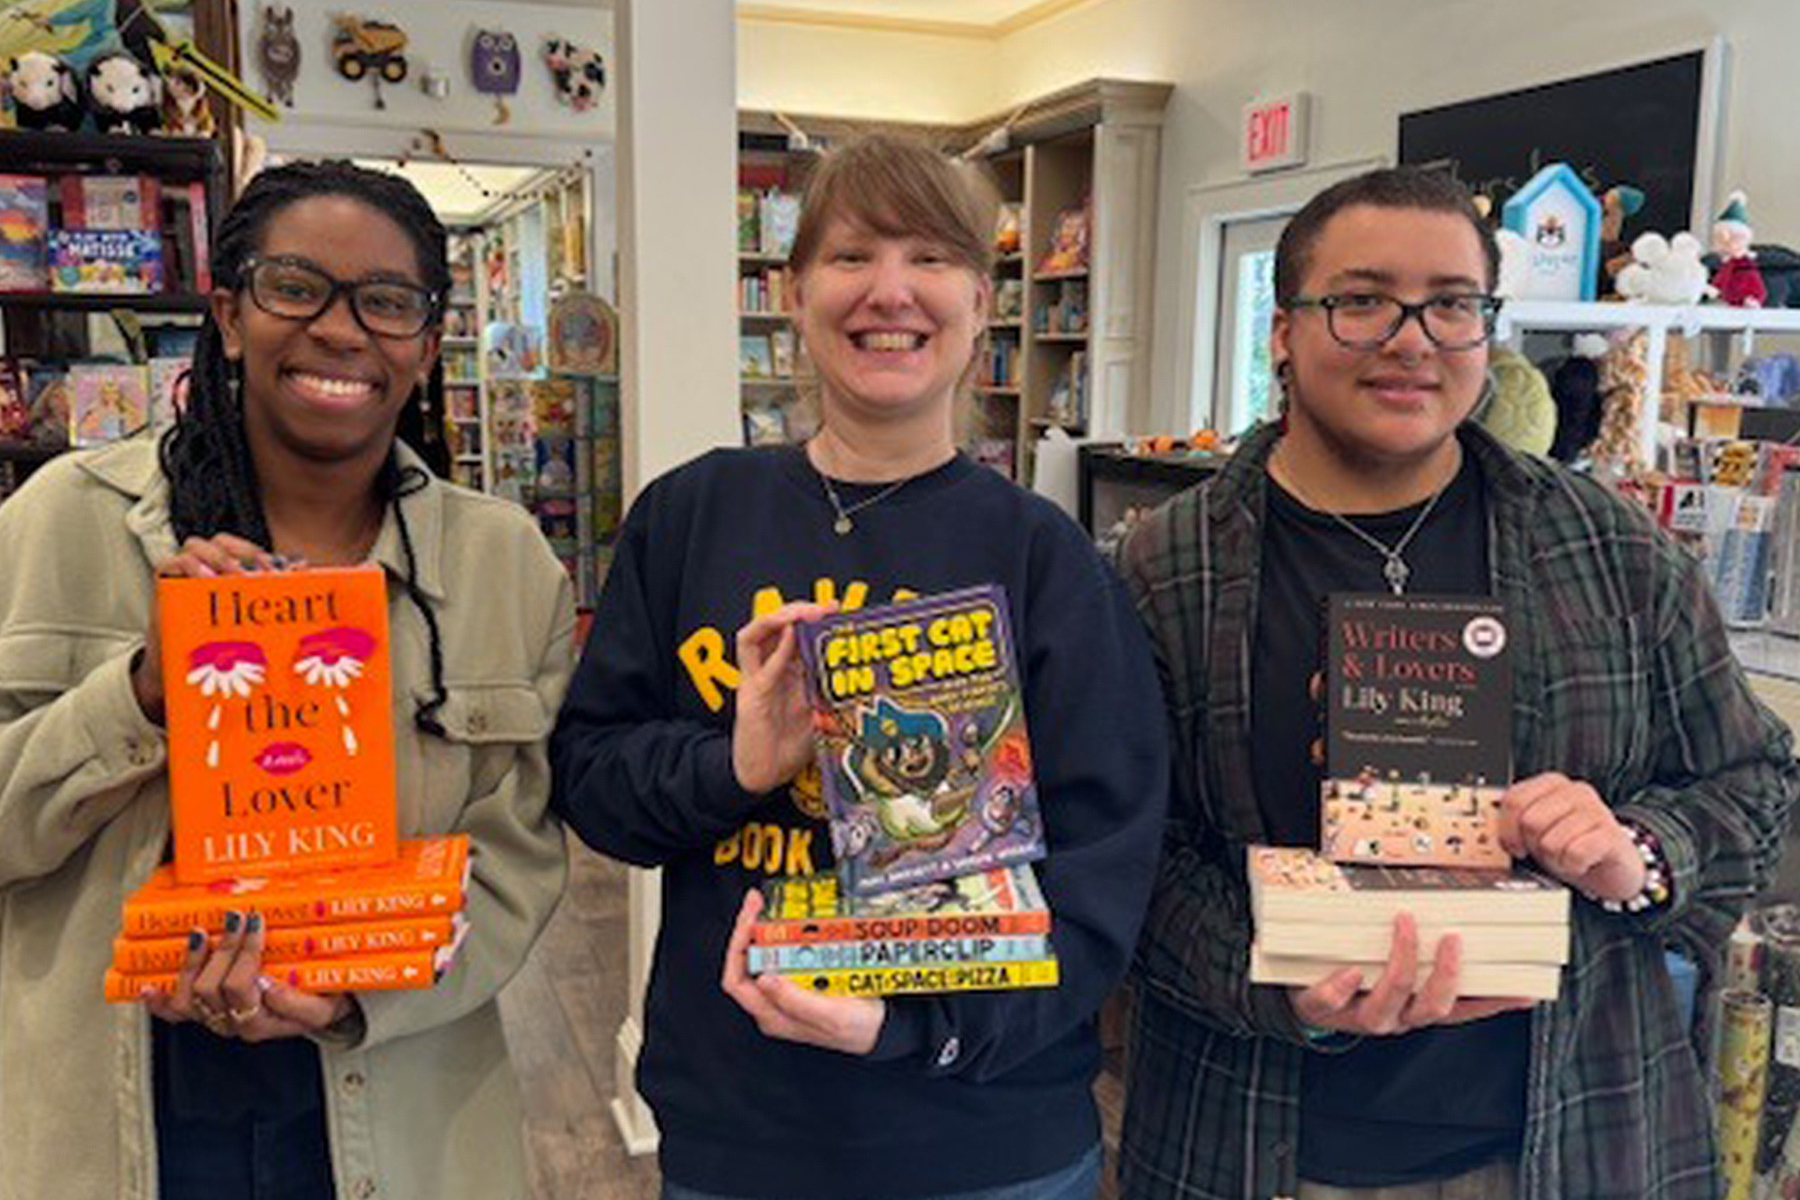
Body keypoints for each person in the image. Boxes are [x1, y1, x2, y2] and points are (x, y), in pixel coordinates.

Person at [1115, 167, 1799, 1200]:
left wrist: (1641, 851)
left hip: (1578, 1136)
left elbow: (1755, 778)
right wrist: (1277, 982)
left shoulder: (1607, 546)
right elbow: (1119, 856)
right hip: (1248, 1139)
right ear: (1284, 333)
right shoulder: (1164, 570)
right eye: (1361, 300)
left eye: (1451, 304)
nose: (1412, 337)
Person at [550, 133, 1168, 1200]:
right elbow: (595, 790)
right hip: (739, 1126)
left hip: (983, 1137)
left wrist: (915, 1026)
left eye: (930, 258)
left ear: (979, 300)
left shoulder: (1044, 557)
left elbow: (1103, 875)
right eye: (850, 256)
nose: (891, 291)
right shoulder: (692, 515)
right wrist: (733, 766)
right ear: (793, 295)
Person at [0, 160, 575, 1200]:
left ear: (428, 342)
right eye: (296, 286)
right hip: (114, 1108)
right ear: (228, 314)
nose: (342, 331)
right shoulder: (60, 522)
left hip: (396, 1097)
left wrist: (358, 990)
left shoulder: (504, 566)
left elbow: (517, 858)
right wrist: (136, 693)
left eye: (388, 302)